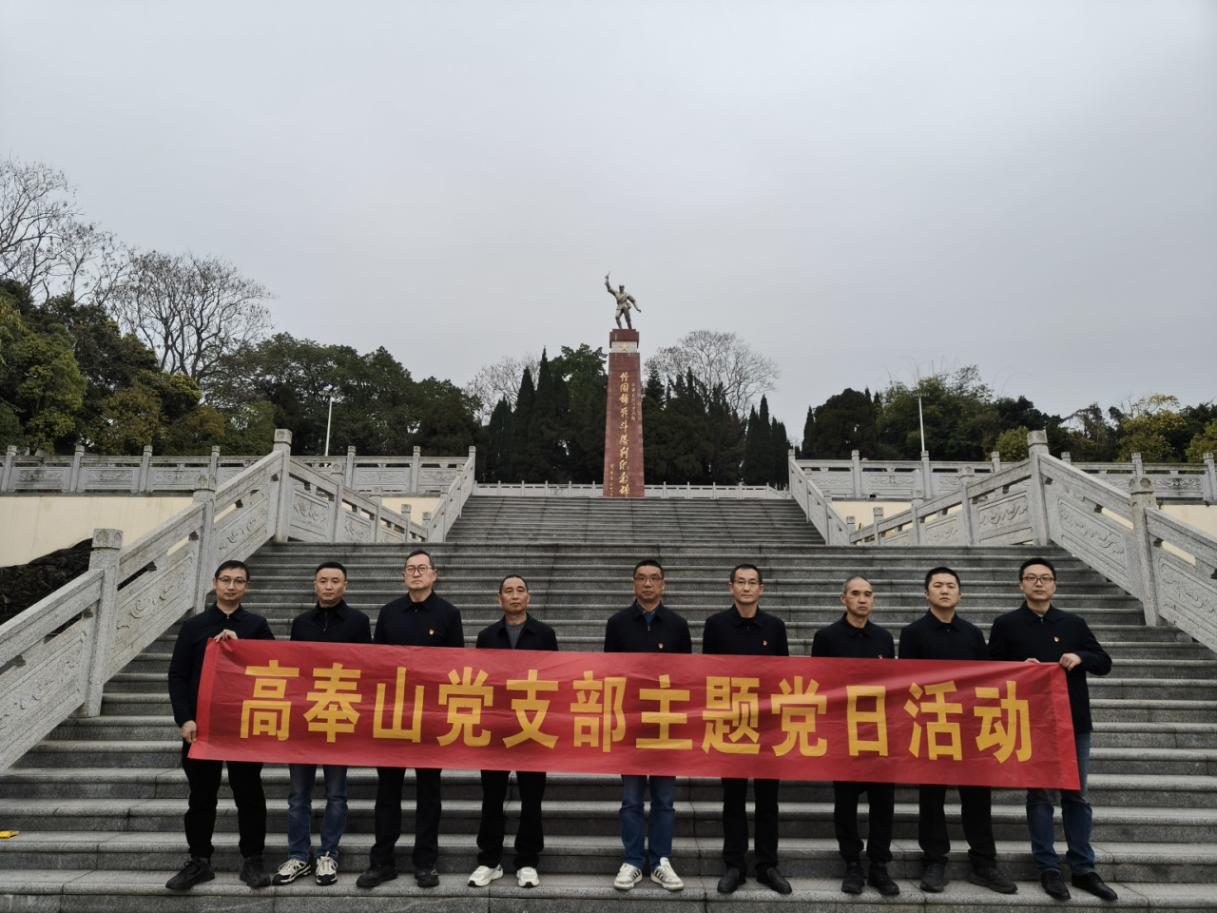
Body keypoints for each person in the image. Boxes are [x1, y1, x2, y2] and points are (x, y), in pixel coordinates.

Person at [989, 557, 1117, 903]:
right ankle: (1047, 867)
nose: (1039, 583)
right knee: (1041, 796)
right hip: (1031, 722)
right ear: (1021, 585)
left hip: (1073, 721)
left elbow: (1103, 662)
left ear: (1054, 585)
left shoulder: (1073, 624)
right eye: (1031, 578)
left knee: (1076, 796)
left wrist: (1080, 657)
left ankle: (1083, 867)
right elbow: (989, 668)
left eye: (1045, 578)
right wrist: (1019, 668)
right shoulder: (1006, 624)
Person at [898, 566, 1017, 895]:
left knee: (977, 797)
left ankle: (984, 863)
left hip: (970, 728)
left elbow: (986, 680)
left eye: (951, 585)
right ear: (926, 594)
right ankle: (934, 860)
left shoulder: (972, 634)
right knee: (931, 798)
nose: (945, 590)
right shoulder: (913, 633)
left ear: (960, 594)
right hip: (931, 726)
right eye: (938, 585)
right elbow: (906, 681)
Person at [357, 549, 464, 890]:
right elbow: (377, 663)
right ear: (403, 576)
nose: (416, 573)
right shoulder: (389, 612)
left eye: (422, 568)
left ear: (434, 574)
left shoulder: (449, 614)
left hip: (430, 718)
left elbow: (456, 666)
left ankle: (425, 863)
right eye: (410, 569)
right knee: (387, 791)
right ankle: (382, 862)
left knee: (429, 793)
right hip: (393, 716)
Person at [166, 560, 274, 891]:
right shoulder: (194, 626)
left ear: (247, 587)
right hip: (201, 726)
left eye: (239, 581)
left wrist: (241, 646)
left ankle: (252, 859)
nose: (231, 586)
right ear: (214, 583)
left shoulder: (256, 625)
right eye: (225, 580)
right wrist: (184, 718)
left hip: (242, 725)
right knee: (201, 795)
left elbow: (274, 668)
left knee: (249, 794)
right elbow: (178, 675)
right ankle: (199, 860)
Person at [272, 561, 371, 887]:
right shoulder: (302, 623)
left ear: (345, 585)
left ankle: (328, 854)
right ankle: (298, 855)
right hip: (304, 719)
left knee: (336, 793)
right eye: (323, 581)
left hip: (339, 717)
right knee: (298, 794)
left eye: (335, 581)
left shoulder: (358, 622)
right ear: (315, 585)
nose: (329, 586)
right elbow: (292, 667)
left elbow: (369, 667)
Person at [702, 563, 792, 895]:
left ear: (761, 589)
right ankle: (735, 865)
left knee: (768, 800)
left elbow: (784, 676)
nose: (746, 588)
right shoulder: (715, 625)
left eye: (752, 582)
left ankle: (768, 865)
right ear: (731, 587)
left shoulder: (775, 627)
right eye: (740, 582)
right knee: (733, 798)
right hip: (731, 725)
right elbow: (707, 675)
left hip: (767, 727)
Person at [604, 558, 691, 892]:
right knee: (631, 798)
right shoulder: (617, 623)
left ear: (663, 584)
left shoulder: (678, 625)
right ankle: (632, 860)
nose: (648, 584)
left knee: (664, 799)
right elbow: (609, 674)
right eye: (641, 578)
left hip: (666, 725)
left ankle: (660, 861)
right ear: (633, 584)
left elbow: (688, 677)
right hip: (630, 725)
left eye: (654, 578)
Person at [467, 574, 559, 890]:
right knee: (492, 797)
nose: (515, 595)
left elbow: (555, 679)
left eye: (520, 590)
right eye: (509, 591)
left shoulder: (545, 635)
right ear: (499, 599)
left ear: (529, 597)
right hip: (496, 727)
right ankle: (489, 860)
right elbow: (480, 680)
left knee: (532, 798)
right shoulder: (486, 636)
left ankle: (528, 861)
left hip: (533, 727)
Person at [810, 575, 900, 897]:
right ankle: (852, 863)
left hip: (879, 734)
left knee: (883, 803)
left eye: (868, 594)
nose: (863, 599)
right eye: (856, 594)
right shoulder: (826, 638)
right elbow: (817, 685)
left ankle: (879, 864)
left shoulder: (884, 638)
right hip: (843, 734)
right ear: (843, 599)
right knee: (845, 803)